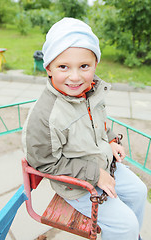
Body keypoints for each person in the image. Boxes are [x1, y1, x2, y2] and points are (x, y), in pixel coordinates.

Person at [22, 18, 147, 240]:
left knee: (139, 191)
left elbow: (97, 121)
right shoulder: (45, 116)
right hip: (76, 185)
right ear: (48, 67)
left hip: (102, 164)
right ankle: (124, 234)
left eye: (84, 66)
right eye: (63, 67)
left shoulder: (89, 91)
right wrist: (94, 175)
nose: (75, 77)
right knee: (125, 225)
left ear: (95, 64)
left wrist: (109, 140)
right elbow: (45, 162)